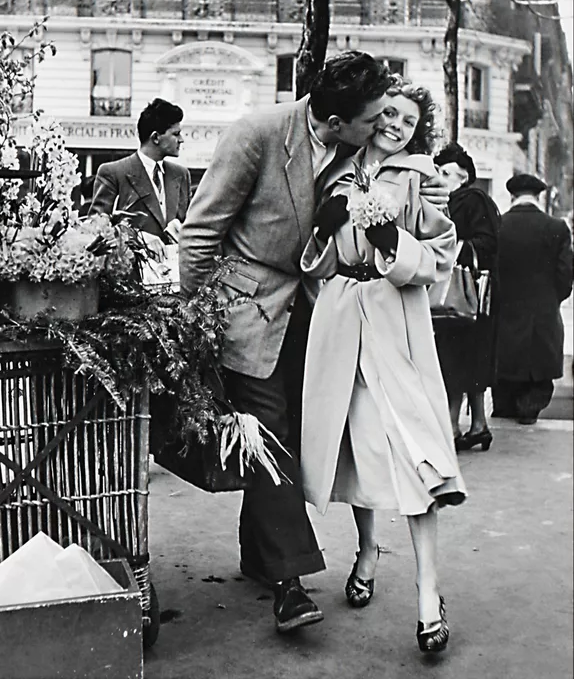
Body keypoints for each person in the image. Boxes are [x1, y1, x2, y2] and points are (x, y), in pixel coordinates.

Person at [179, 52, 450, 634]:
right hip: (247, 310)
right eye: (374, 116)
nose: (384, 124)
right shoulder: (256, 134)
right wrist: (197, 322)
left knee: (290, 439)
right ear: (337, 122)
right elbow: (200, 233)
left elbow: (420, 232)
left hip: (321, 318)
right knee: (270, 434)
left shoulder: (370, 160)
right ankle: (290, 584)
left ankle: (260, 556)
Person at [300, 80, 466, 653]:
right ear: (371, 115)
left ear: (418, 131)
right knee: (358, 447)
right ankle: (367, 550)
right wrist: (324, 231)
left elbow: (443, 255)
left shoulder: (421, 179)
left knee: (415, 455)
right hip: (343, 322)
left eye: (408, 120)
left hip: (395, 328)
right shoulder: (335, 172)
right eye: (389, 113)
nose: (395, 125)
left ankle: (428, 593)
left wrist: (392, 243)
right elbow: (316, 266)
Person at [432, 144, 501, 451]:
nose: (441, 178)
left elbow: (485, 242)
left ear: (463, 177)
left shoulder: (470, 199)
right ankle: (477, 426)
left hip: (464, 294)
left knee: (456, 361)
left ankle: (453, 427)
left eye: (447, 173)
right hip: (467, 300)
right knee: (469, 362)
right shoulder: (459, 200)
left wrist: (452, 248)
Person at [492, 173, 573, 424]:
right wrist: (549, 300)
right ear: (538, 196)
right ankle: (529, 409)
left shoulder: (497, 226)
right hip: (543, 318)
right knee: (538, 380)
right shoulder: (557, 228)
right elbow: (565, 278)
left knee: (504, 386)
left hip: (504, 318)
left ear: (512, 196)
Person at [89, 98, 191, 242]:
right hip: (130, 263)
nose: (181, 140)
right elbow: (96, 230)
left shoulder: (181, 175)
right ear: (155, 137)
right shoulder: (113, 173)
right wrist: (139, 238)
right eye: (175, 134)